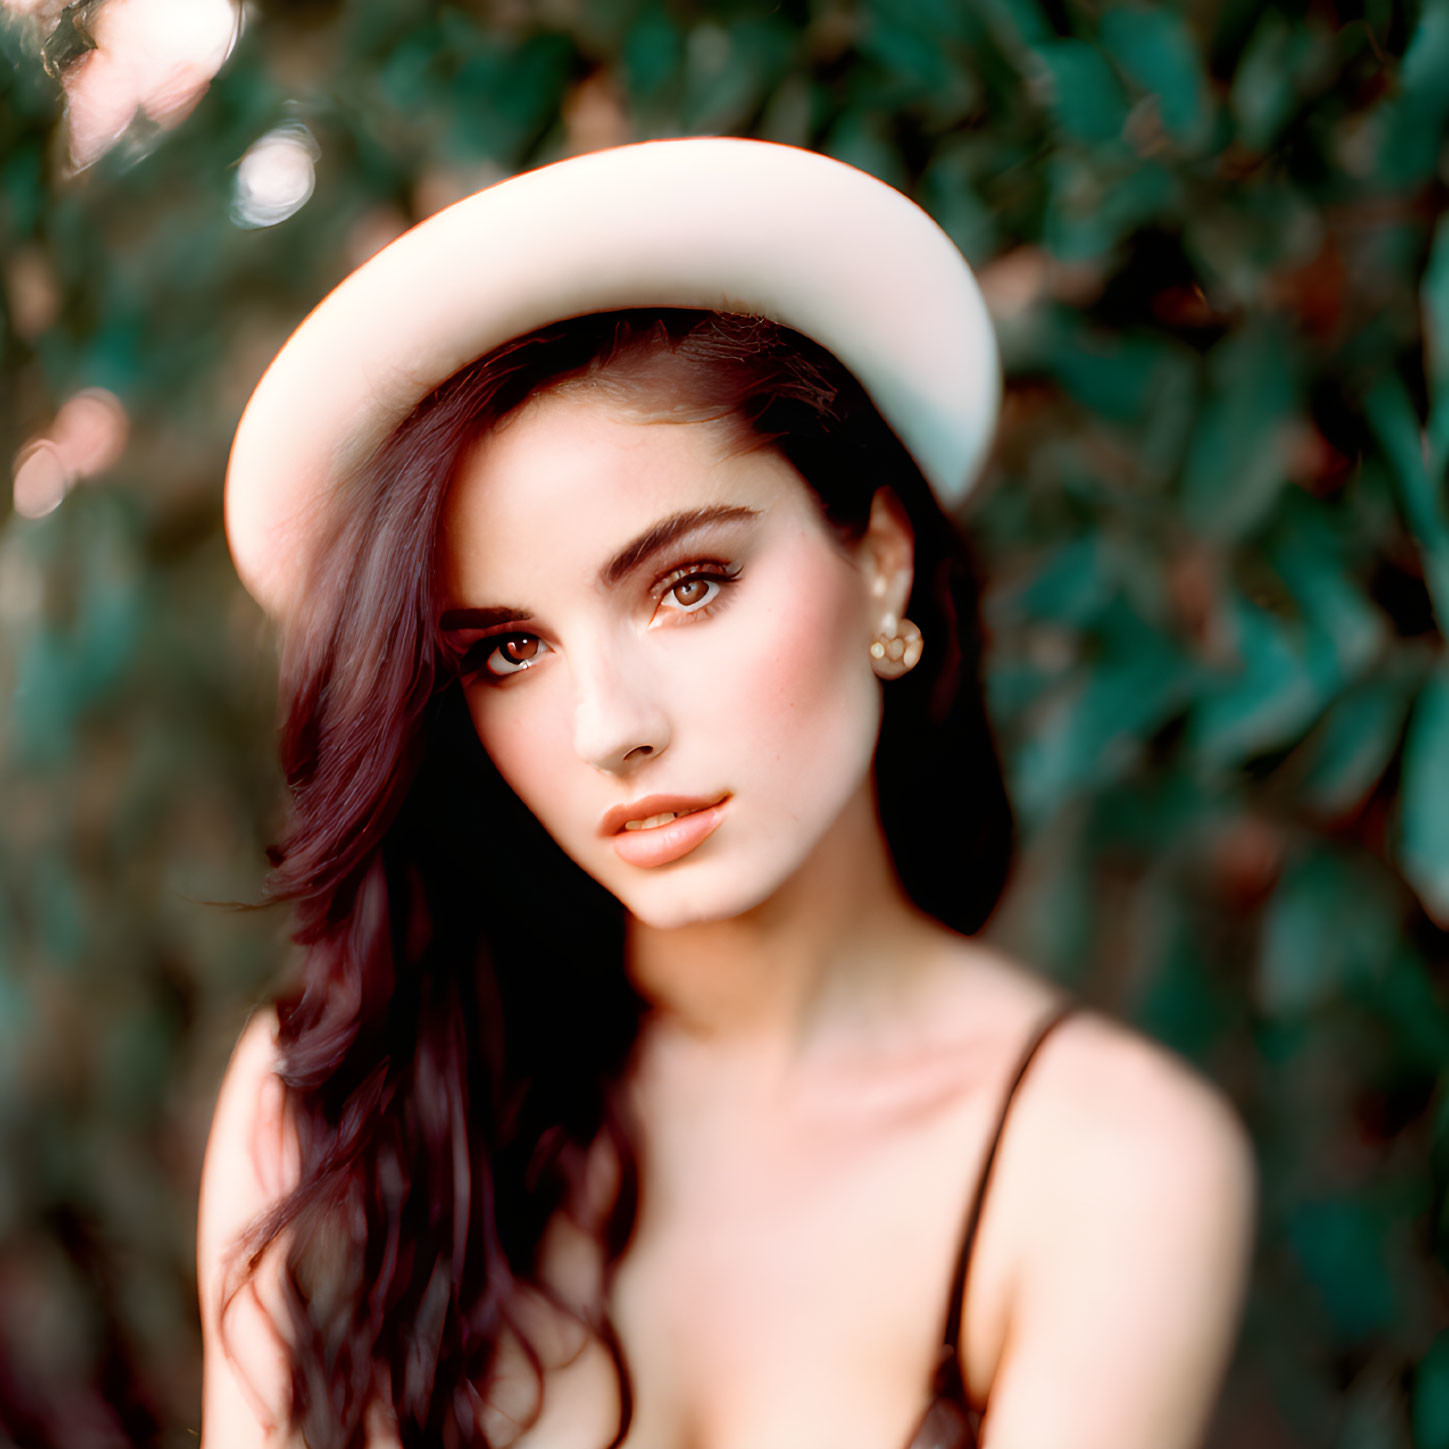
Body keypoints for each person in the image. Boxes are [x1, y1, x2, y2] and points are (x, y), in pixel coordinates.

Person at [197, 138, 1257, 1449]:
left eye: (686, 583)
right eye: (508, 650)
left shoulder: (1100, 1168)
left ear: (877, 557)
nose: (610, 729)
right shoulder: (339, 1115)